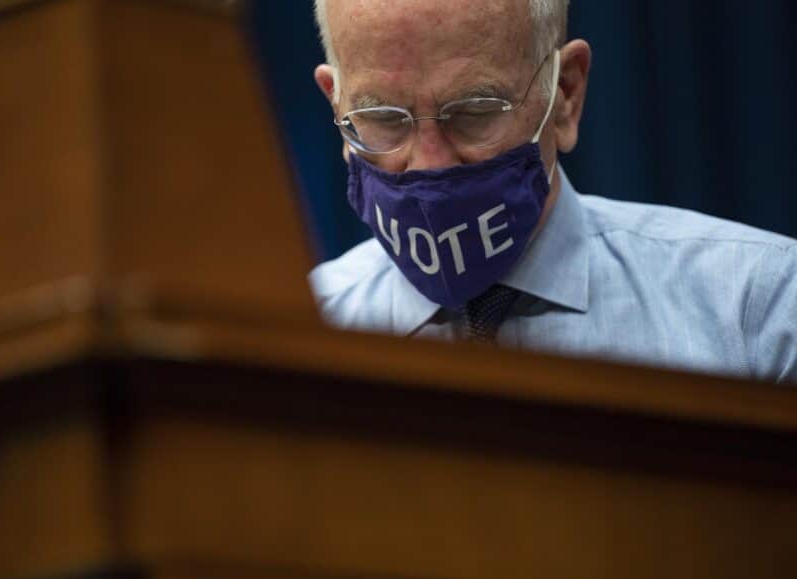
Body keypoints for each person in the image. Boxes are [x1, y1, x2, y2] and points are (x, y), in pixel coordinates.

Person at [307, 0, 797, 382]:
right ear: (336, 105)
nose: (431, 165)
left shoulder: (758, 313)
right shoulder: (300, 337)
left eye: (474, 111)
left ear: (565, 95)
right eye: (383, 119)